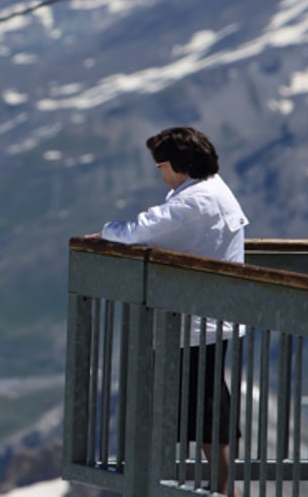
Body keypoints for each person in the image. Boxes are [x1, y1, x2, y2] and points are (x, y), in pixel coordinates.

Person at [96, 126, 248, 497]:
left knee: (204, 406)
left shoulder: (193, 201)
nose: (160, 173)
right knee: (207, 402)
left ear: (179, 165)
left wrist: (105, 230)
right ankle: (219, 485)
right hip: (212, 315)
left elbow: (137, 231)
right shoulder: (213, 190)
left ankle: (216, 488)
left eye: (162, 165)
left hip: (197, 319)